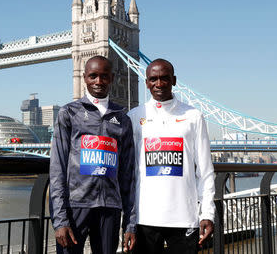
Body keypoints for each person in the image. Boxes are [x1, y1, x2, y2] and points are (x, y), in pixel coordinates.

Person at [49, 56, 136, 254]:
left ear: (112, 78)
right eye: (93, 76)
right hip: (75, 206)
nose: (98, 81)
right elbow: (57, 168)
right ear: (84, 77)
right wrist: (60, 220)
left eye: (104, 76)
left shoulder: (123, 118)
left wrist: (130, 224)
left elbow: (128, 175)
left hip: (110, 208)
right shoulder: (69, 113)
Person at [127, 58, 215, 253]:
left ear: (174, 80)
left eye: (165, 78)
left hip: (184, 217)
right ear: (147, 82)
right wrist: (128, 220)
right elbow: (129, 172)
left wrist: (207, 213)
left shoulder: (194, 116)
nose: (159, 84)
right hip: (145, 218)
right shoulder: (133, 117)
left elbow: (205, 171)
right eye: (153, 79)